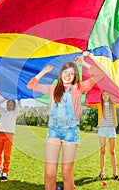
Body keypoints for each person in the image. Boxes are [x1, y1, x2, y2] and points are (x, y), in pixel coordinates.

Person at [27, 54, 104, 190]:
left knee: (66, 173)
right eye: (65, 72)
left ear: (75, 77)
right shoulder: (53, 89)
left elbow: (99, 75)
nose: (68, 76)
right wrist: (44, 72)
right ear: (60, 74)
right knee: (49, 173)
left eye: (71, 74)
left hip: (70, 133)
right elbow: (31, 85)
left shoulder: (79, 88)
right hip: (54, 132)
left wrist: (84, 64)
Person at [90, 91, 119, 182]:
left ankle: (115, 174)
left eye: (107, 94)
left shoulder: (114, 104)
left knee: (112, 151)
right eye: (103, 95)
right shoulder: (99, 104)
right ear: (101, 96)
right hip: (102, 129)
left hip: (111, 129)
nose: (105, 96)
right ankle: (102, 173)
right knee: (102, 151)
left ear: (110, 95)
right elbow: (89, 103)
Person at [0, 99, 20, 182]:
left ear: (14, 106)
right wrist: (6, 98)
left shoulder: (15, 113)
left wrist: (18, 98)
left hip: (9, 135)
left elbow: (19, 104)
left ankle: (5, 172)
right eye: (8, 104)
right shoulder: (3, 112)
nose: (9, 106)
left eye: (11, 104)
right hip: (0, 134)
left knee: (7, 155)